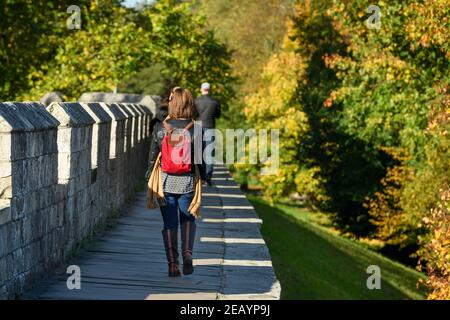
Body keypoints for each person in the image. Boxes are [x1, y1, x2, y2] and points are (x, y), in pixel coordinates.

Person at [147, 86, 201, 277]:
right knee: (188, 217)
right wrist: (200, 177)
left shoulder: (161, 127)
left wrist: (148, 176)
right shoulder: (196, 128)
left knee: (169, 223)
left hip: (166, 180)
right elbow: (200, 158)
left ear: (173, 103)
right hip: (187, 180)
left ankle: (172, 265)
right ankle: (187, 254)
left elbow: (154, 155)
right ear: (188, 104)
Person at [194, 82, 221, 186]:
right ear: (209, 90)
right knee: (209, 154)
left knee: (198, 153)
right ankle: (208, 177)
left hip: (198, 128)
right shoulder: (215, 102)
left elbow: (193, 114)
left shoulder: (196, 101)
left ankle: (199, 176)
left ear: (201, 89)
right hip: (210, 128)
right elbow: (218, 115)